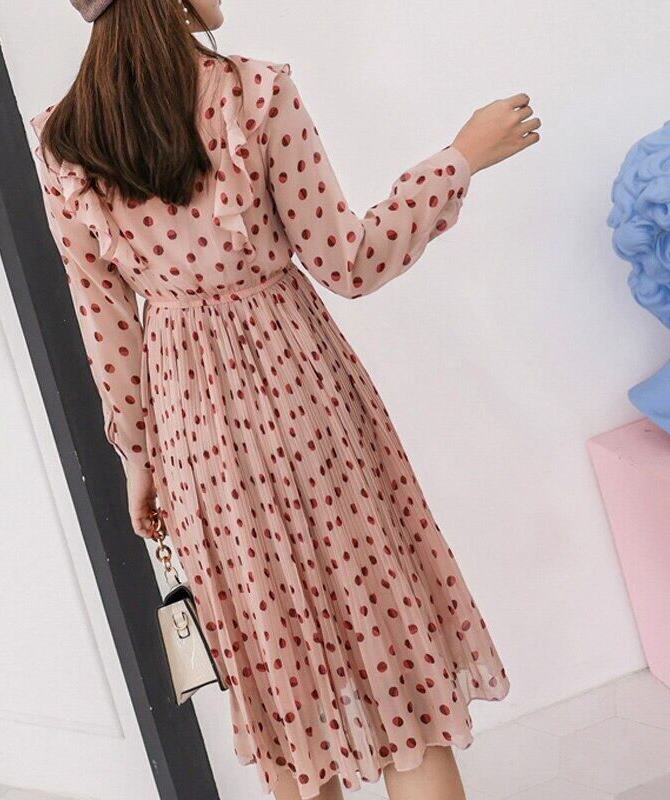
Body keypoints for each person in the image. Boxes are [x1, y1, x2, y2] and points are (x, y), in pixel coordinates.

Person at [30, 1, 540, 798]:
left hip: (196, 439)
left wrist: (139, 460)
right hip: (305, 395)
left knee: (282, 683)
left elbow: (107, 328)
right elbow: (349, 261)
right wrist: (460, 158)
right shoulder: (254, 93)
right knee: (392, 656)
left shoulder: (63, 143)